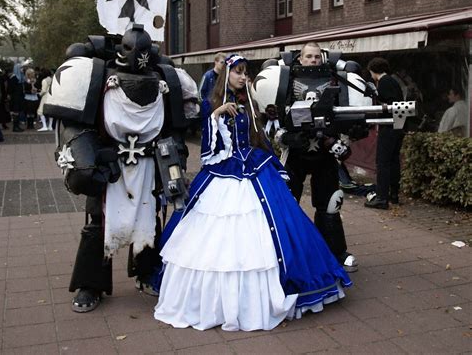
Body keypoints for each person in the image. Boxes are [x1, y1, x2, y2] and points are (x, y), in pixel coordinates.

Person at [152, 54, 351, 332]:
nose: (243, 77)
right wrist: (217, 115)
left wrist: (267, 120)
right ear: (228, 75)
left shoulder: (250, 103)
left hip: (255, 167)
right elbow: (210, 151)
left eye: (246, 73)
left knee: (280, 223)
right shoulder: (212, 103)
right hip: (224, 169)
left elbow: (261, 138)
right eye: (238, 72)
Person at [45, 25, 190, 313]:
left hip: (148, 164)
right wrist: (89, 158)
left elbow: (175, 127)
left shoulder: (165, 80)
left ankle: (146, 272)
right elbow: (78, 125)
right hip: (109, 164)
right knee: (98, 221)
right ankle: (91, 283)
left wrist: (174, 159)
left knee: (149, 218)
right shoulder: (99, 78)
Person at [270, 42, 360, 272]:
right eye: (308, 56)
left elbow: (348, 118)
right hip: (295, 153)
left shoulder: (336, 80)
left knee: (330, 204)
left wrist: (341, 141)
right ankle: (282, 253)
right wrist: (286, 137)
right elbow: (269, 121)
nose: (312, 60)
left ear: (323, 59)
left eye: (316, 57)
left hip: (325, 152)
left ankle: (335, 252)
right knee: (287, 202)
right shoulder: (284, 81)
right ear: (300, 59)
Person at [365, 57, 404, 209]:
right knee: (393, 161)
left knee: (383, 162)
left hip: (389, 126)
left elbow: (387, 103)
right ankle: (393, 194)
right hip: (398, 125)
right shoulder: (393, 81)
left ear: (373, 71)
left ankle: (382, 197)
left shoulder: (385, 82)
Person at [7, 63, 25, 132]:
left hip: (18, 98)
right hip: (15, 98)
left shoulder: (19, 77)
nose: (21, 69)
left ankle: (17, 126)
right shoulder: (14, 78)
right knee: (15, 112)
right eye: (20, 68)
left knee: (17, 112)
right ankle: (15, 127)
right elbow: (10, 89)